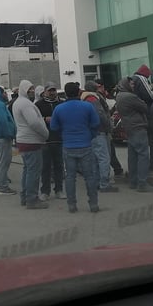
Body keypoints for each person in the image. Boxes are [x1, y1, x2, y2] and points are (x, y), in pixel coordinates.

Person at [51, 82, 101, 213]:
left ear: (66, 93)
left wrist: (64, 134)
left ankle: (72, 205)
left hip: (68, 146)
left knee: (70, 177)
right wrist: (90, 135)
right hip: (85, 144)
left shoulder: (59, 108)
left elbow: (54, 127)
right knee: (89, 176)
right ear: (78, 91)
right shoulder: (87, 106)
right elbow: (96, 123)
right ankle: (93, 204)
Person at [114, 77, 153, 192]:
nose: (133, 86)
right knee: (143, 155)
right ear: (126, 85)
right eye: (132, 84)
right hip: (138, 127)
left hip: (129, 128)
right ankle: (142, 183)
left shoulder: (119, 96)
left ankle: (133, 181)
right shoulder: (130, 97)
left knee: (132, 156)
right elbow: (144, 107)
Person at [13, 80, 50, 209]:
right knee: (33, 172)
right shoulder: (26, 104)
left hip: (23, 141)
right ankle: (32, 199)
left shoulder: (18, 103)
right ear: (24, 90)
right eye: (30, 88)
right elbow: (34, 122)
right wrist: (46, 133)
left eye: (33, 88)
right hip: (31, 141)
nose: (32, 91)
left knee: (28, 170)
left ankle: (25, 196)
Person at [82, 80, 118, 193]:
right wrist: (109, 126)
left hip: (92, 132)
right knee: (104, 158)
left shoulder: (85, 98)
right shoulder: (93, 98)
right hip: (100, 131)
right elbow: (101, 114)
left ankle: (96, 182)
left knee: (95, 159)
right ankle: (104, 183)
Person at [34, 82, 66, 201]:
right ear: (45, 91)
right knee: (45, 167)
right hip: (45, 141)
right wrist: (44, 119)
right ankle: (45, 191)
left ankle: (59, 190)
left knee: (59, 166)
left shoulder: (61, 103)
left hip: (59, 139)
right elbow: (35, 120)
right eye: (50, 90)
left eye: (54, 90)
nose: (52, 92)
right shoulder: (38, 104)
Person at [132, 64, 153, 171]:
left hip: (137, 115)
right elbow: (150, 95)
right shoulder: (141, 78)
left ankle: (140, 167)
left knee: (140, 143)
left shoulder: (133, 80)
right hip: (147, 112)